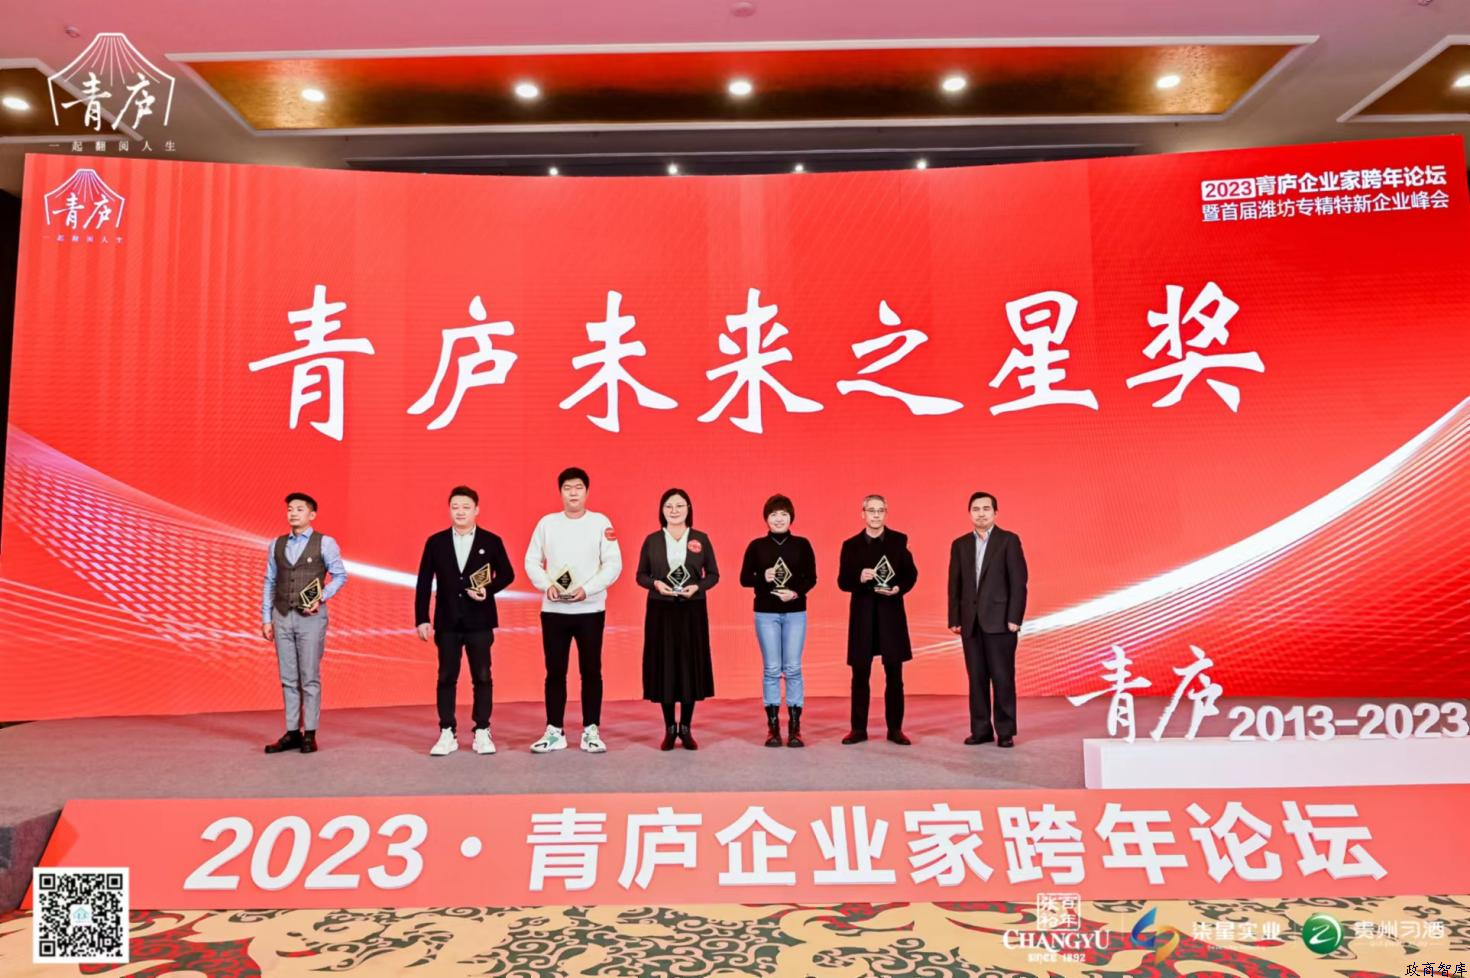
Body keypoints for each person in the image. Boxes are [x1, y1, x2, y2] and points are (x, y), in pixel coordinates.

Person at [524, 467, 622, 753]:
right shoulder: (547, 523)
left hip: (590, 610)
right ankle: (555, 730)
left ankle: (591, 730)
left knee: (591, 671)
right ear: (560, 492)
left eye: (578, 487)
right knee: (555, 672)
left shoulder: (600, 522)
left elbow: (613, 564)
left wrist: (587, 590)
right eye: (567, 488)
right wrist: (547, 586)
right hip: (554, 610)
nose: (573, 493)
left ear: (587, 492)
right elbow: (531, 560)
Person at [415, 485, 516, 757]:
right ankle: (447, 731)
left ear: (476, 510)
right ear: (449, 510)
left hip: (480, 621)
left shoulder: (490, 541)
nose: (460, 512)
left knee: (482, 676)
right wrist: (422, 618)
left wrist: (487, 590)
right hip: (447, 621)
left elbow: (507, 574)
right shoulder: (436, 542)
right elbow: (424, 582)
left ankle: (482, 729)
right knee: (446, 676)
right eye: (455, 507)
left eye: (466, 507)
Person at [260, 492, 347, 754]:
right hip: (282, 615)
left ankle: (309, 733)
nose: (293, 513)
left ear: (312, 514)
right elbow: (270, 581)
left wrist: (321, 597)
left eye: (299, 509)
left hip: (311, 618)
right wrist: (266, 618)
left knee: (309, 677)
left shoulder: (325, 543)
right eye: (290, 509)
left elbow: (340, 576)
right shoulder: (276, 544)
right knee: (288, 677)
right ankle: (291, 732)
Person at [635, 488, 720, 750]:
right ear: (662, 510)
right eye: (669, 506)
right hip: (660, 610)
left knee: (689, 665)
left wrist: (698, 587)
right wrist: (656, 584)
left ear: (688, 509)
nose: (674, 510)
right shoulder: (652, 540)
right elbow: (641, 575)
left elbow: (713, 575)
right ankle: (669, 727)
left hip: (692, 609)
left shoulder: (700, 538)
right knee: (665, 665)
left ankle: (686, 727)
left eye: (680, 505)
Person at [947, 491, 1028, 748]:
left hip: (1001, 622)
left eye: (986, 509)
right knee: (976, 679)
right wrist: (954, 618)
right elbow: (954, 585)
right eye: (976, 509)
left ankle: (1005, 731)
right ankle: (981, 730)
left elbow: (1019, 583)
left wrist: (1015, 617)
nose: (981, 513)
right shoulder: (960, 544)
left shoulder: (1008, 541)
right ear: (969, 513)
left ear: (995, 512)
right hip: (970, 623)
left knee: (1003, 678)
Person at [837, 494, 918, 745]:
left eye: (880, 510)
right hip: (862, 617)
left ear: (885, 513)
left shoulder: (898, 540)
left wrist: (898, 588)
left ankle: (895, 729)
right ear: (862, 513)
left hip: (890, 615)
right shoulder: (850, 545)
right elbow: (842, 582)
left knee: (894, 675)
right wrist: (859, 577)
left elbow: (911, 575)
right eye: (871, 510)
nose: (875, 515)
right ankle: (858, 729)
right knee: (860, 675)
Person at [739, 493, 817, 748]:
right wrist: (763, 576)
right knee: (772, 669)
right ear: (766, 518)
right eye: (774, 514)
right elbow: (744, 578)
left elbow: (811, 578)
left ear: (791, 517)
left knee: (793, 668)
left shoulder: (802, 545)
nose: (779, 519)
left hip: (795, 612)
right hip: (766, 613)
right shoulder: (756, 546)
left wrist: (795, 593)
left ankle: (795, 728)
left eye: (784, 514)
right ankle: (773, 728)